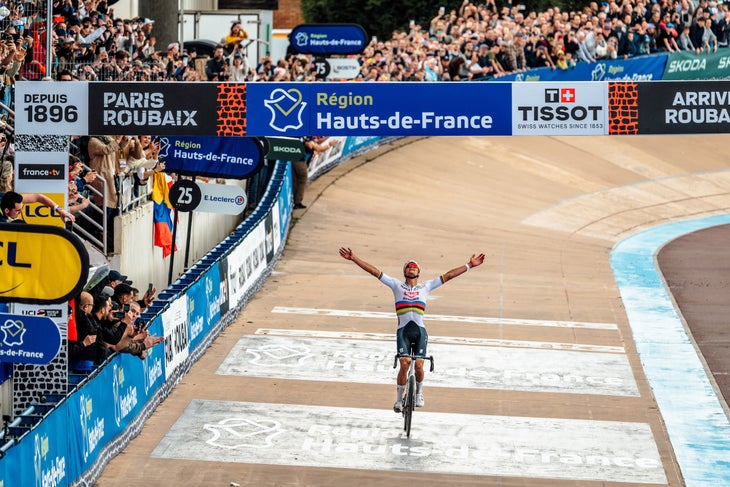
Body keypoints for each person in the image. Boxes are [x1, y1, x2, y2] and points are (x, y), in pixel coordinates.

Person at [338, 247, 485, 411]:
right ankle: (399, 400)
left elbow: (449, 276)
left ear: (419, 272)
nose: (412, 267)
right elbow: (374, 271)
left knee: (419, 366)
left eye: (414, 267)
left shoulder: (426, 287)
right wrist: (354, 258)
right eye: (409, 266)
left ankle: (419, 393)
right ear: (404, 272)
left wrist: (469, 265)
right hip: (404, 332)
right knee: (405, 363)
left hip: (420, 331)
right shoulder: (396, 285)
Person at [0, 191, 75, 224]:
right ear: (6, 210)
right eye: (17, 211)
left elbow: (38, 197)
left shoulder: (9, 198)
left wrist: (61, 211)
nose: (21, 212)